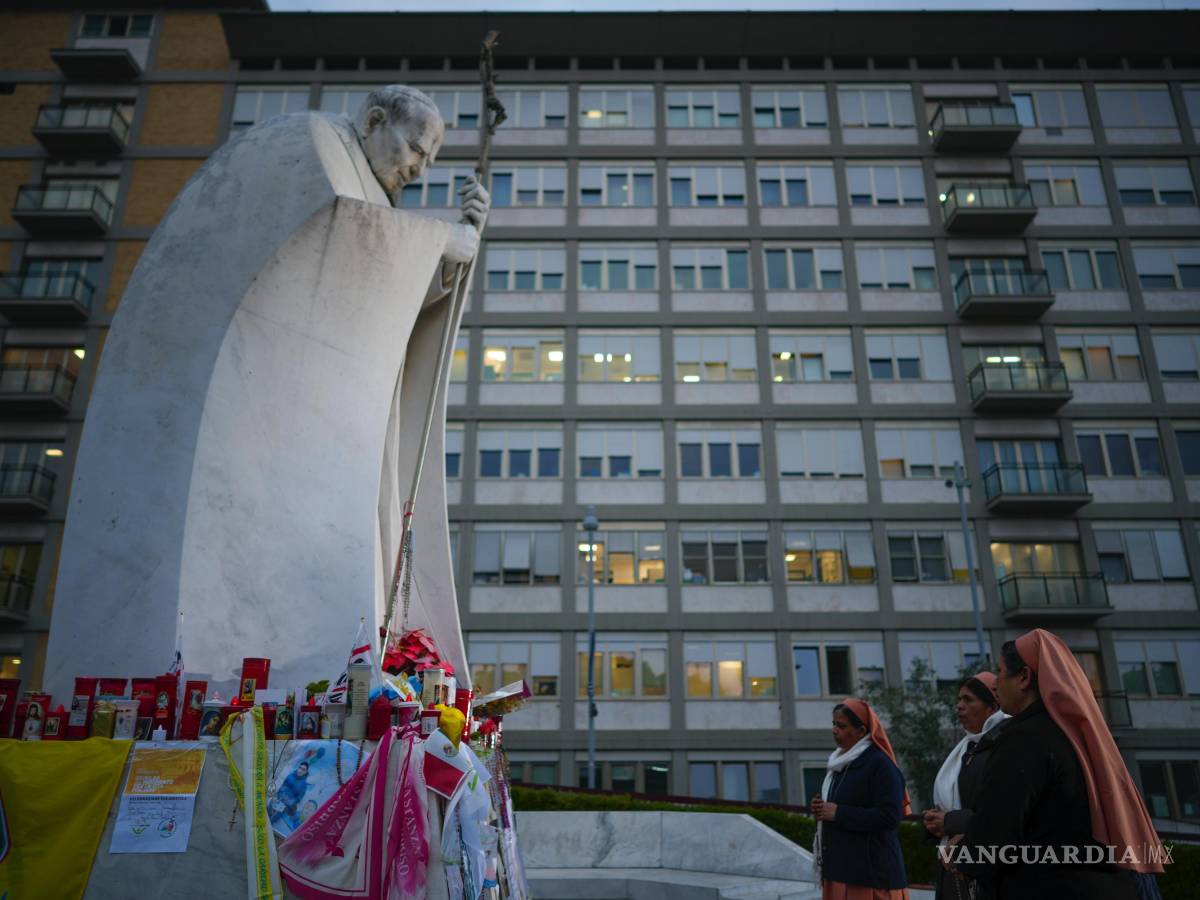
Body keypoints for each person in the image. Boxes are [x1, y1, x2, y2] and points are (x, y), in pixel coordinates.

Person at [956, 629, 1165, 899]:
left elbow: (996, 829)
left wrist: (964, 857)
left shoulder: (1024, 738)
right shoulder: (1081, 736)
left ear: (1023, 677)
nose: (995, 684)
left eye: (1000, 671)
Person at [811, 697, 910, 900]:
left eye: (841, 726)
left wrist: (838, 812)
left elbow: (890, 817)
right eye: (833, 724)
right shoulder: (839, 763)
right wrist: (823, 808)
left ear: (861, 731)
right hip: (840, 872)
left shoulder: (880, 765)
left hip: (870, 878)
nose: (834, 730)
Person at [923, 672, 1008, 900]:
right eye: (959, 700)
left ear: (992, 706)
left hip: (984, 869)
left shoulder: (1005, 746)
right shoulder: (967, 747)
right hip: (953, 865)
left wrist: (949, 821)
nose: (959, 707)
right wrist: (936, 823)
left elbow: (1004, 813)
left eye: (968, 700)